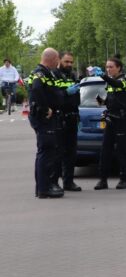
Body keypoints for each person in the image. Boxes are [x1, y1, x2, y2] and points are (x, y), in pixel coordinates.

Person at [28, 48, 76, 198]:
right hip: (43, 119)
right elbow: (36, 89)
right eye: (57, 60)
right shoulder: (40, 73)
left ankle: (43, 187)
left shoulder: (45, 73)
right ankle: (44, 189)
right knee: (46, 152)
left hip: (47, 118)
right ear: (52, 59)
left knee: (46, 152)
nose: (58, 63)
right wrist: (44, 108)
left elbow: (52, 93)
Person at [92, 56, 126, 190]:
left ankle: (124, 180)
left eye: (111, 67)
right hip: (111, 119)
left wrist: (104, 76)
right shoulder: (111, 82)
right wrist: (102, 102)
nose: (108, 69)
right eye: (106, 67)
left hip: (122, 119)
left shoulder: (124, 81)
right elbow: (112, 100)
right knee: (105, 150)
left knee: (122, 150)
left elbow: (118, 86)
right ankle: (102, 180)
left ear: (119, 68)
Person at [52, 51, 82, 192]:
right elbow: (54, 97)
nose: (69, 64)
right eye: (66, 62)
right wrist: (66, 93)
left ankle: (68, 182)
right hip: (60, 118)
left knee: (71, 153)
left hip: (72, 117)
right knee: (58, 153)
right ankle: (55, 183)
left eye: (71, 62)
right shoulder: (54, 75)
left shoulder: (72, 76)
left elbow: (76, 98)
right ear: (59, 61)